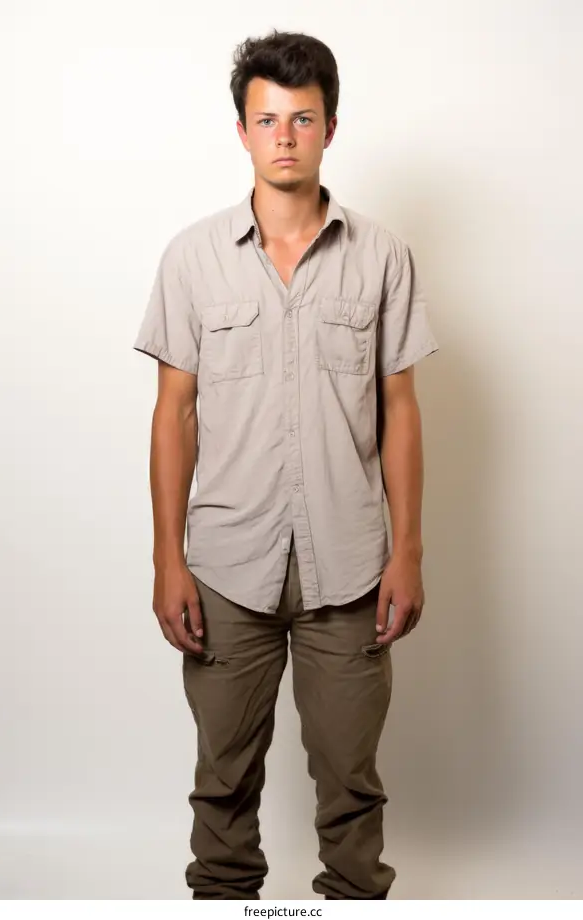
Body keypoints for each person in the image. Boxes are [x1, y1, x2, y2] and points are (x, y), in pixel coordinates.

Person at [133, 29, 439, 901]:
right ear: (242, 131)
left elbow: (402, 412)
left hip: (350, 568)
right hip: (227, 568)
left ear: (330, 128)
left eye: (302, 119)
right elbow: (174, 414)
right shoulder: (192, 259)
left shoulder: (382, 258)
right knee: (222, 788)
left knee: (351, 788)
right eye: (267, 119)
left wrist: (408, 552)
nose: (285, 136)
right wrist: (167, 560)